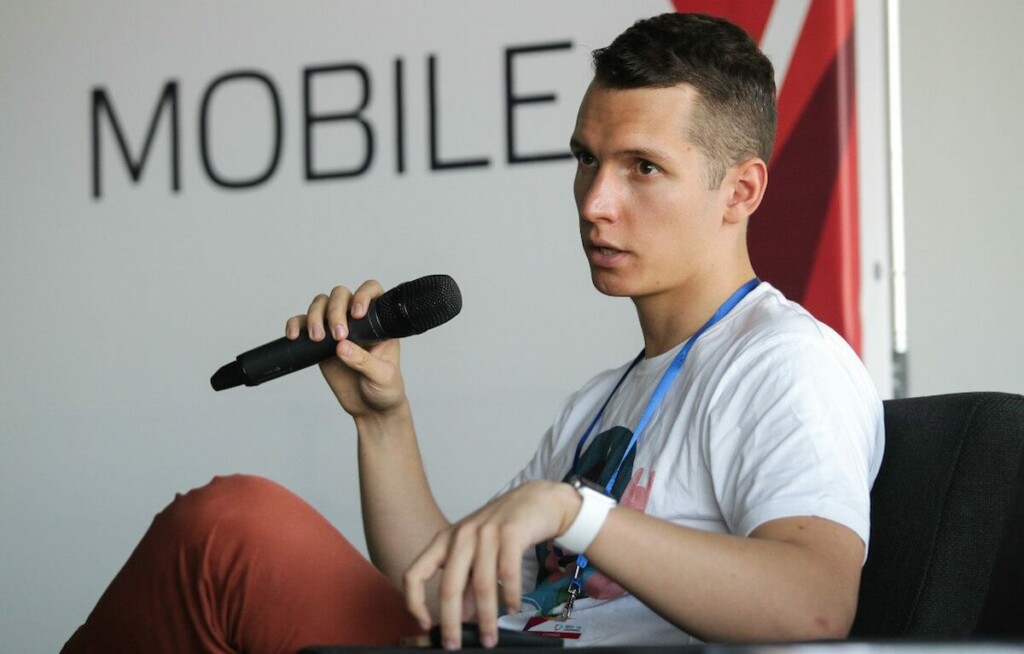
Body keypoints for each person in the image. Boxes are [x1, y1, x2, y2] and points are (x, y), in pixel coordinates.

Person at [63, 12, 883, 653]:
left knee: (231, 527)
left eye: (643, 168)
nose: (595, 202)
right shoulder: (605, 399)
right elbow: (442, 585)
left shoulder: (787, 363)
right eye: (586, 160)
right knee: (224, 531)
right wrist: (382, 421)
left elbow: (813, 607)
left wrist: (573, 512)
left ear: (741, 191)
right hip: (495, 642)